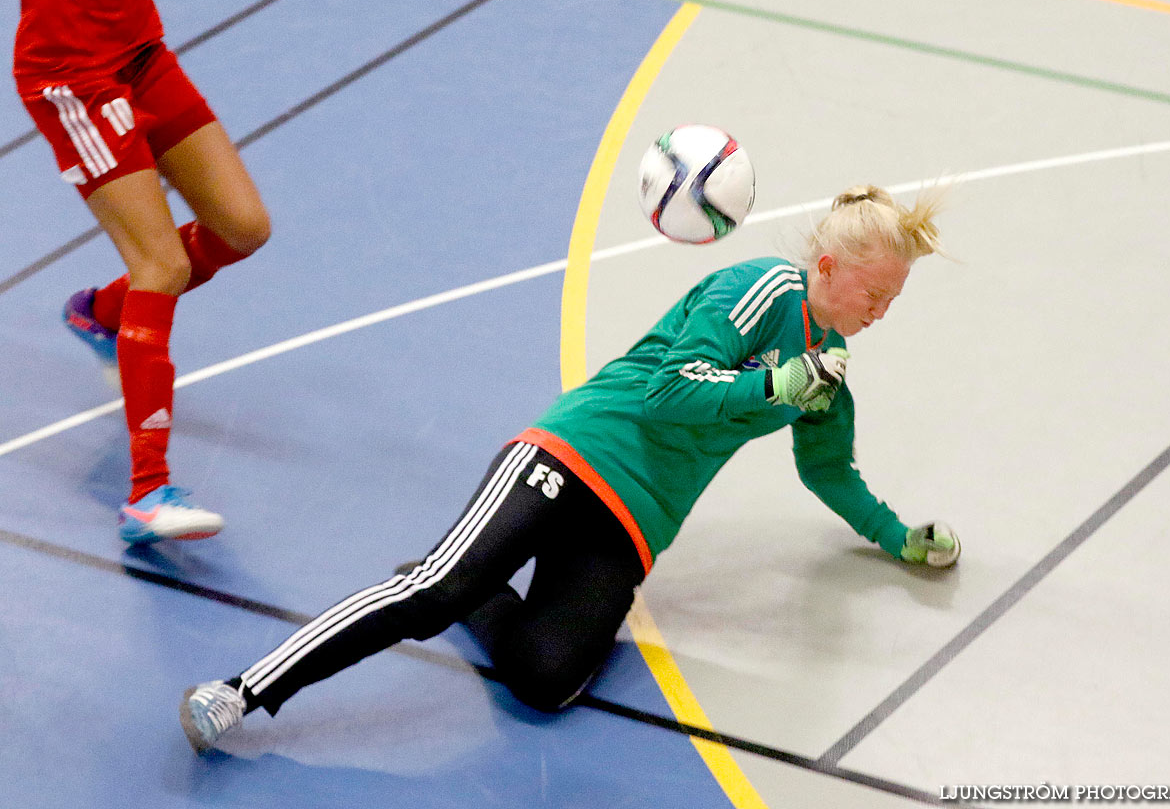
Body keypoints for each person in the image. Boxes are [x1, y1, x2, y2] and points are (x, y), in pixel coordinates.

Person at [178, 184, 962, 753]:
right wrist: (769, 383)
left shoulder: (827, 370)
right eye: (879, 290)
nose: (883, 309)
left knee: (548, 679)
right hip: (577, 455)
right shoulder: (761, 291)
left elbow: (828, 472)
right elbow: (667, 391)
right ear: (828, 266)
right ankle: (243, 691)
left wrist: (898, 537)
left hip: (633, 524)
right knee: (432, 596)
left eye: (895, 298)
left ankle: (468, 584)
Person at [0, 0, 306, 544]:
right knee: (161, 262)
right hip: (69, 74)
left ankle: (103, 313)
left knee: (242, 227)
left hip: (140, 52)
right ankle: (147, 493)